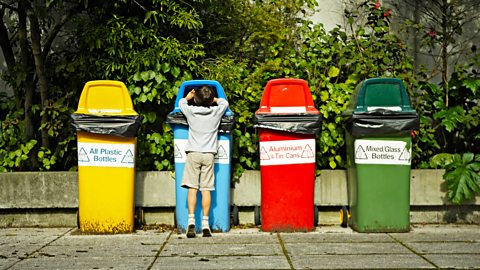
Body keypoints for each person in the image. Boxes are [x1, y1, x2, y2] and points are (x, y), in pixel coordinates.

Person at [178, 85, 229, 238]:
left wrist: (189, 98)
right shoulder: (215, 112)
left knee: (192, 187)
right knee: (206, 188)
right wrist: (212, 99)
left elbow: (181, 103)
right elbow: (224, 103)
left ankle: (191, 222)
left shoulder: (191, 112)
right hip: (209, 155)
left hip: (194, 153)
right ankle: (206, 224)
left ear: (196, 99)